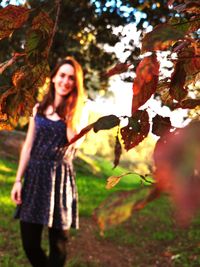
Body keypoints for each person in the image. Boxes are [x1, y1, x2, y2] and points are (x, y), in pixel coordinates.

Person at [11, 56, 86, 267]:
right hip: (34, 177)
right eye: (62, 75)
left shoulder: (79, 112)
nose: (66, 81)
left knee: (58, 243)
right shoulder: (38, 109)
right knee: (30, 243)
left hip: (60, 178)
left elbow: (75, 143)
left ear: (76, 83)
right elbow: (27, 146)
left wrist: (71, 114)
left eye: (71, 78)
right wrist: (18, 180)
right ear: (53, 77)